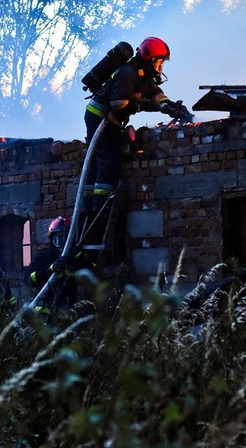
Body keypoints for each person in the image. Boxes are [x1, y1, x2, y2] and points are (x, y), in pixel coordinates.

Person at [83, 37, 193, 215]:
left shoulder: (144, 76)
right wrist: (150, 106)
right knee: (108, 158)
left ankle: (89, 206)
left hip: (108, 119)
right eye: (159, 62)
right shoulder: (128, 73)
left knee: (96, 160)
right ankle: (101, 207)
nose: (160, 67)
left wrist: (173, 108)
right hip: (100, 117)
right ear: (150, 59)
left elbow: (157, 96)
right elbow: (119, 105)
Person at [24, 216, 92, 320]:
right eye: (58, 239)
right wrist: (50, 270)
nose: (62, 243)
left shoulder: (76, 256)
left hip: (72, 307)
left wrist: (78, 257)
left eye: (65, 238)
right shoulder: (44, 257)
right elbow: (28, 280)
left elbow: (92, 273)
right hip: (47, 309)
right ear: (52, 240)